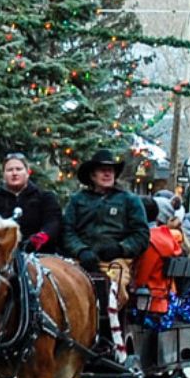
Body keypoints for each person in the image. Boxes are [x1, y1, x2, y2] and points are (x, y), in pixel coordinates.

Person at [63, 149, 151, 355]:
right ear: (92, 175)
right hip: (80, 260)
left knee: (114, 286)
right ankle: (70, 334)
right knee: (62, 286)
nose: (107, 174)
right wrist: (81, 250)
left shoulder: (130, 201)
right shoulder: (77, 201)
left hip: (116, 261)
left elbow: (141, 234)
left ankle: (107, 336)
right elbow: (67, 231)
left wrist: (120, 248)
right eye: (102, 170)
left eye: (110, 170)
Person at [0, 152, 63, 253]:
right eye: (9, 170)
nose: (14, 173)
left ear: (27, 172)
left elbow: (53, 222)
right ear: (4, 174)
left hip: (38, 254)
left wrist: (39, 239)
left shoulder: (45, 197)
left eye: (19, 169)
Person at [132, 195, 189, 317]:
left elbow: (141, 278)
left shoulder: (150, 241)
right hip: (163, 296)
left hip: (150, 300)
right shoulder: (165, 237)